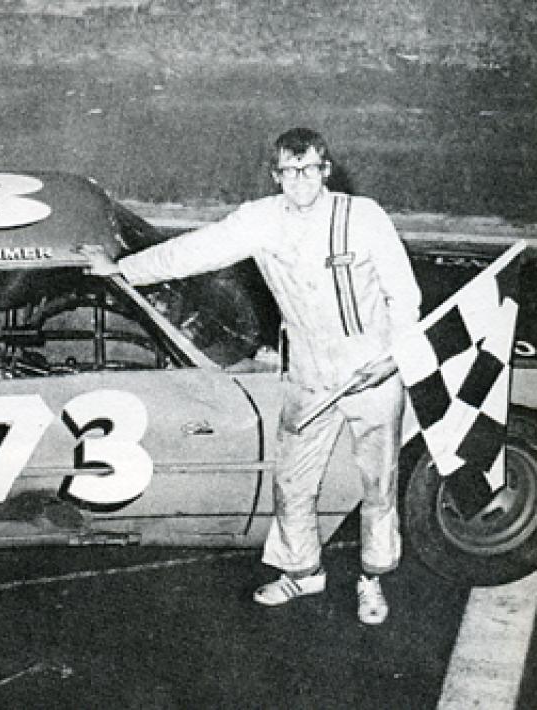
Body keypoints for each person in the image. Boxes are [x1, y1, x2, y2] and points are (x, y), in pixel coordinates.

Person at [84, 127, 421, 625]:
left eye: (309, 169)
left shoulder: (363, 217)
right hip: (309, 376)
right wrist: (121, 270)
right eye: (289, 171)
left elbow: (404, 295)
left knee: (378, 482)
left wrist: (393, 357)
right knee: (292, 481)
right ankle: (302, 571)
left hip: (372, 374)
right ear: (275, 175)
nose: (300, 180)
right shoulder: (260, 220)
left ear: (326, 171)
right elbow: (192, 251)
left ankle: (373, 578)